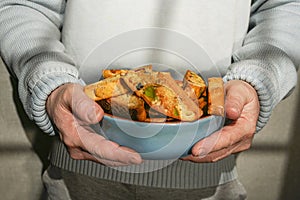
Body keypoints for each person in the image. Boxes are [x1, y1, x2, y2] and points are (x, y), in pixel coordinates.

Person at [0, 0, 299, 199]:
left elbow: (285, 7)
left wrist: (258, 80)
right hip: (76, 175)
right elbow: (24, 5)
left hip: (209, 177)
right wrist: (51, 85)